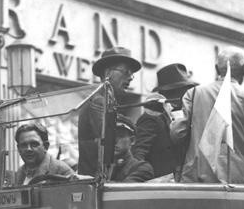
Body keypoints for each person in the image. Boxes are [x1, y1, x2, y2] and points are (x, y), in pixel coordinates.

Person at [172, 48, 244, 184]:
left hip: (197, 177)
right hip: (238, 179)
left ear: (217, 69)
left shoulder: (193, 94)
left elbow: (177, 134)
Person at [78, 47, 141, 176]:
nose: (130, 78)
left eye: (131, 74)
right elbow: (110, 143)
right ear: (107, 73)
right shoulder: (99, 101)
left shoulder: (106, 101)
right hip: (97, 181)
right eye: (126, 72)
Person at [132, 63, 198, 178]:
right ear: (170, 93)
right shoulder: (151, 118)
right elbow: (139, 152)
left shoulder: (176, 117)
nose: (186, 96)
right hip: (155, 183)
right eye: (183, 91)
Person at [109, 117, 154, 182]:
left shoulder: (141, 168)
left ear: (132, 140)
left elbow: (120, 191)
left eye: (120, 136)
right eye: (110, 136)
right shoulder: (98, 167)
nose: (114, 141)